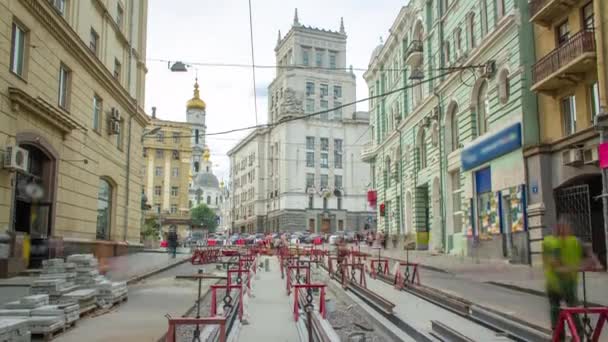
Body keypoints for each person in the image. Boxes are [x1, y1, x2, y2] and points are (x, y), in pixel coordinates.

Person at [543, 216, 601, 338]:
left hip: (568, 284)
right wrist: (582, 267)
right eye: (563, 228)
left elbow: (587, 249)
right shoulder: (551, 243)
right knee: (559, 311)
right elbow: (557, 267)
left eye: (567, 228)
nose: (565, 231)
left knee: (570, 311)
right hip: (555, 284)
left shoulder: (573, 241)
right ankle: (562, 336)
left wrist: (594, 261)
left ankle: (574, 336)